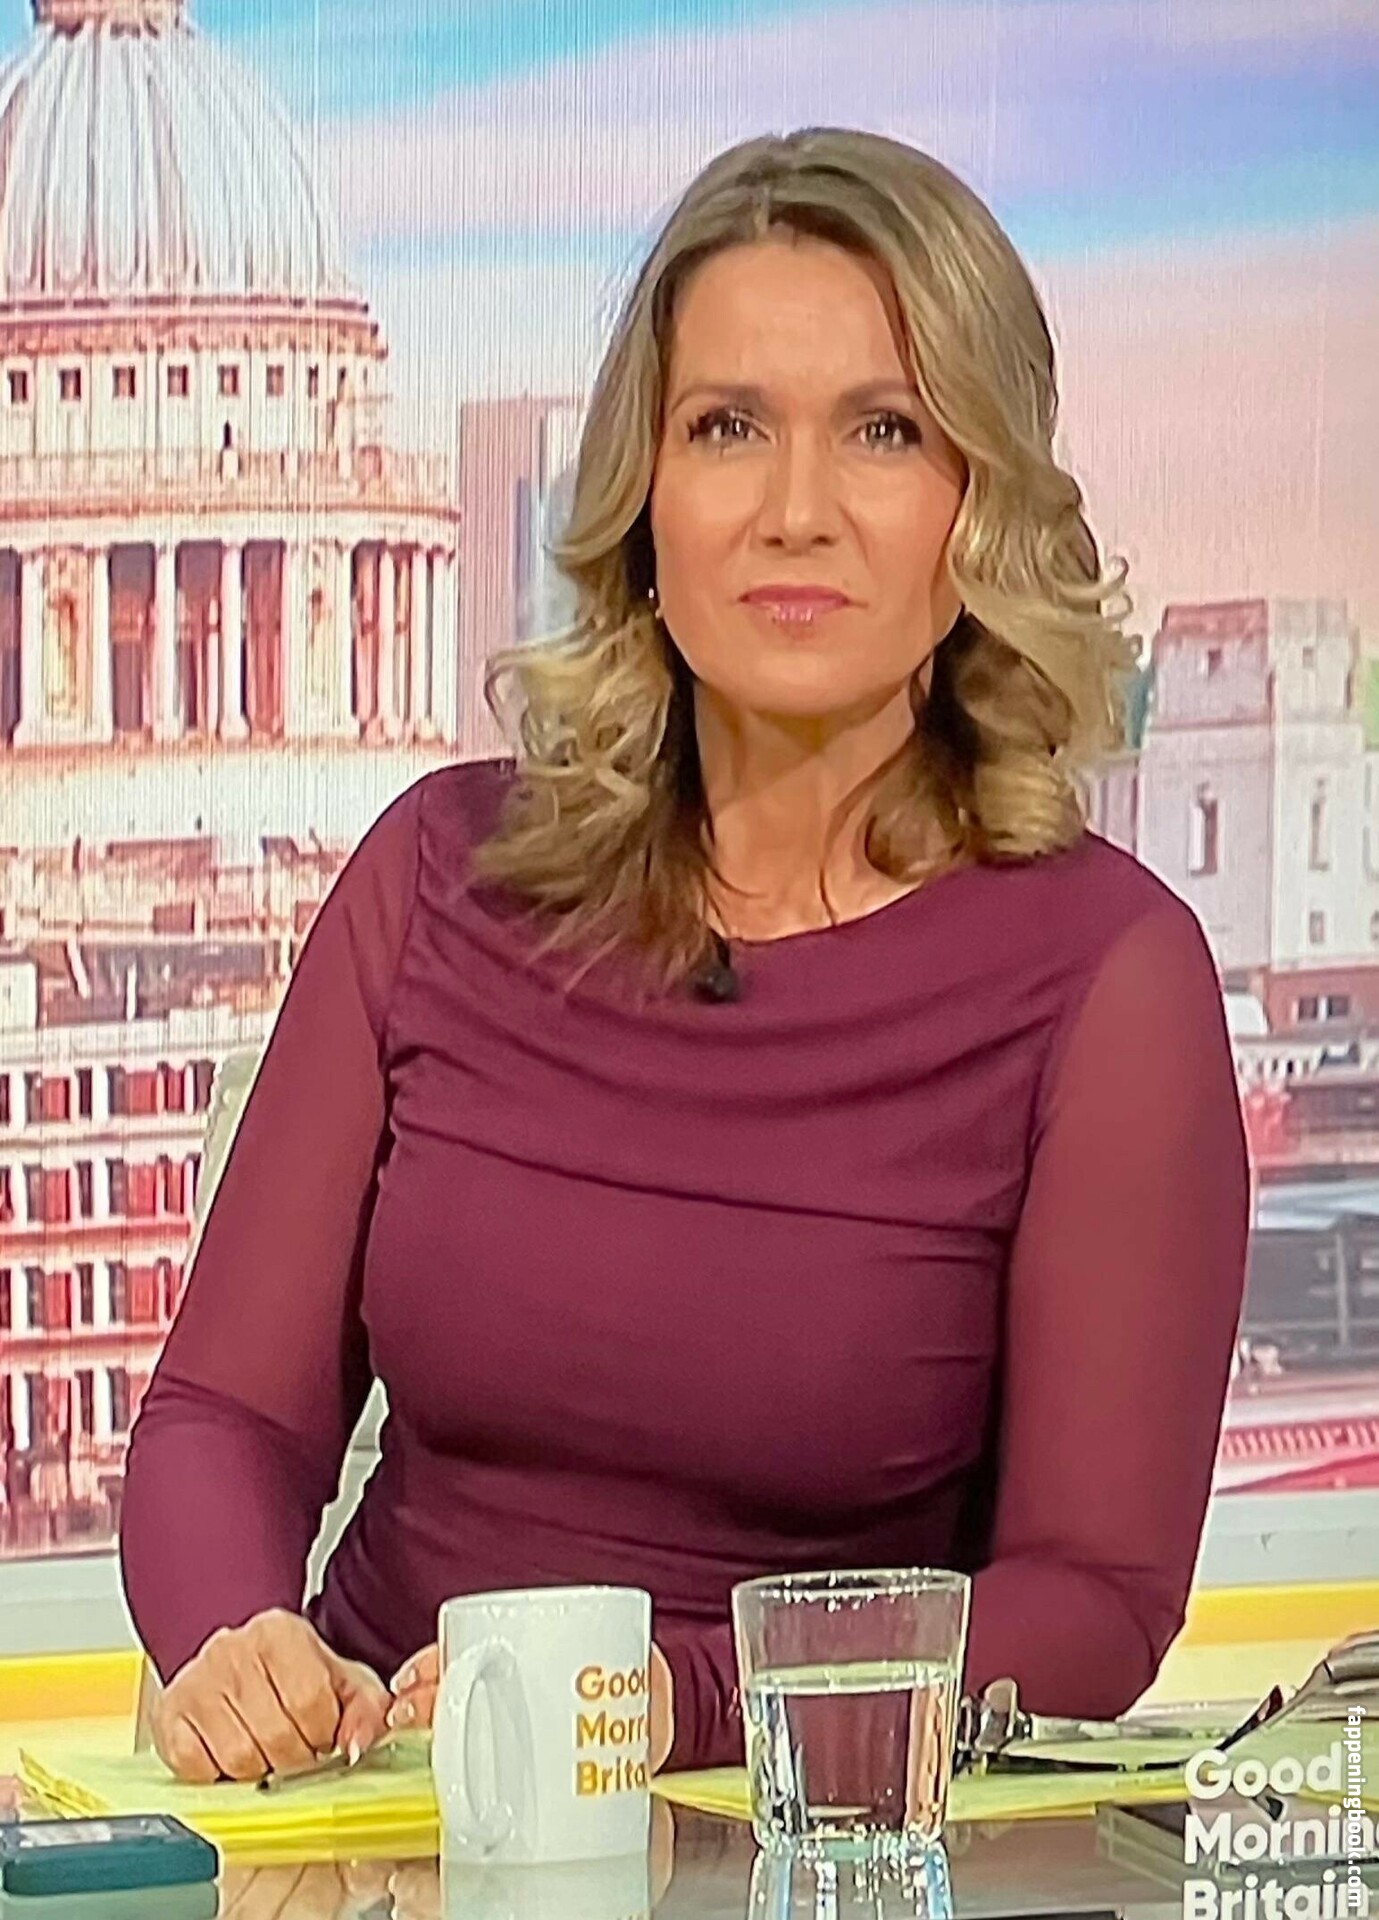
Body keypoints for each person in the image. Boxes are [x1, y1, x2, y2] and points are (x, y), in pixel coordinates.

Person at [120, 126, 1251, 1785]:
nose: (796, 512)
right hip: (380, 1813)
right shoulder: (439, 872)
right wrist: (236, 1645)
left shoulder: (1110, 978)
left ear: (981, 502)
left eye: (883, 430)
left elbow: (1094, 1604)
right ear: (643, 494)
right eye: (728, 427)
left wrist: (690, 1701)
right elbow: (224, 1417)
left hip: (783, 1832)